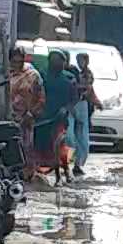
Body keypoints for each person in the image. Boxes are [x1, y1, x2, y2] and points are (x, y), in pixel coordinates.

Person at [33, 50, 77, 183]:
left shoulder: (69, 78)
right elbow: (35, 93)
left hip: (60, 117)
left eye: (60, 61)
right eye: (54, 60)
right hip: (43, 117)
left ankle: (66, 170)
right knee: (42, 145)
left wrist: (67, 108)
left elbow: (74, 98)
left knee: (63, 144)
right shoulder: (42, 76)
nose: (57, 63)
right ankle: (40, 171)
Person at [9, 44, 45, 151]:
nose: (17, 65)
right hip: (7, 118)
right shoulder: (3, 74)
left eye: (20, 61)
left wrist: (31, 113)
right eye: (14, 61)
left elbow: (41, 98)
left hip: (26, 119)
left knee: (26, 150)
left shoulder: (33, 75)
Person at [71, 51, 98, 176]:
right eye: (79, 60)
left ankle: (78, 163)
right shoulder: (74, 72)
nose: (80, 63)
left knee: (81, 135)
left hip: (81, 105)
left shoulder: (88, 74)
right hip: (73, 104)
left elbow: (87, 90)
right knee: (71, 135)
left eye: (82, 60)